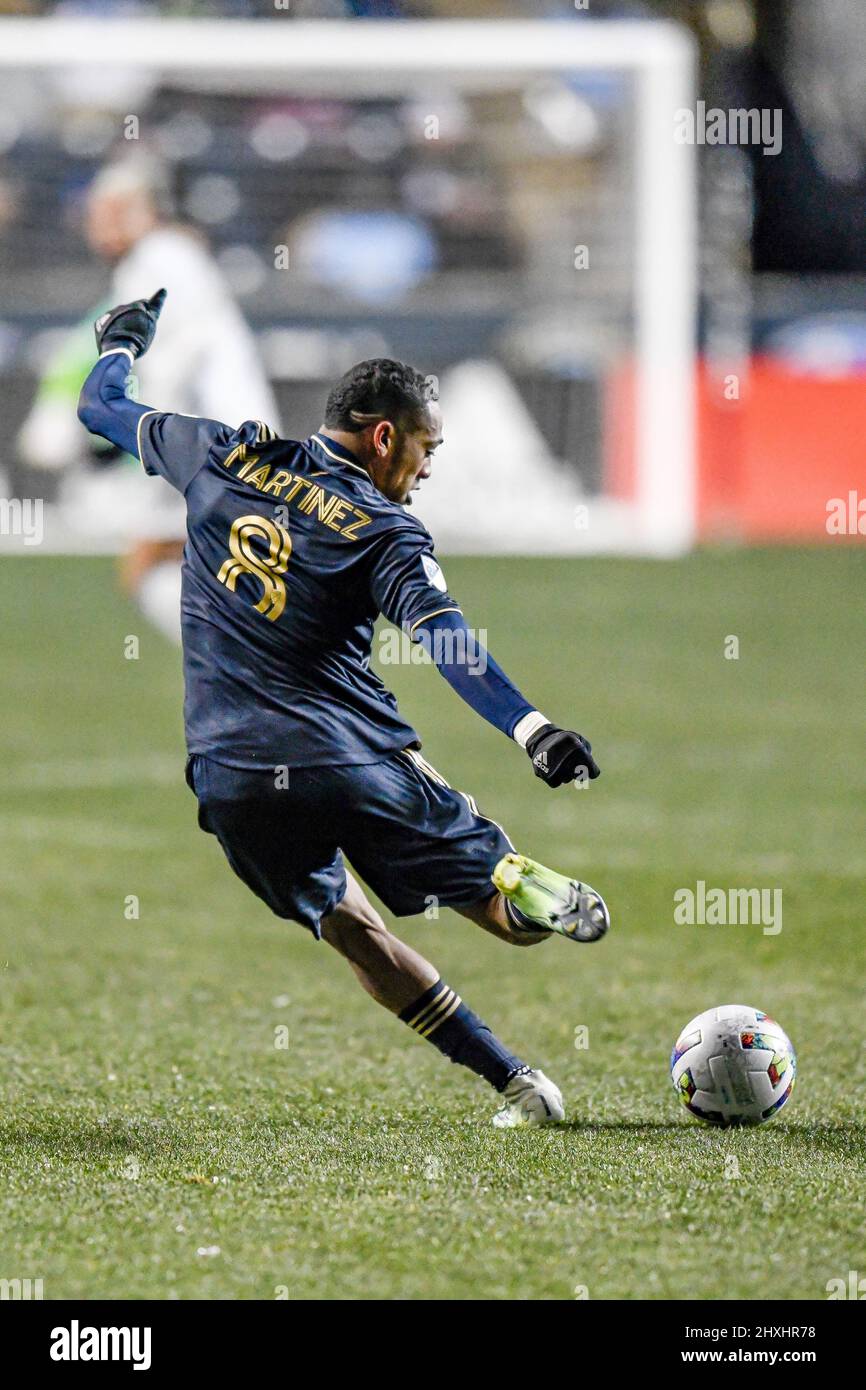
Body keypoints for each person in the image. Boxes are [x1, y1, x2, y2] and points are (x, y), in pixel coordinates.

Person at [77, 289, 611, 1128]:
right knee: (508, 923)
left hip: (229, 777)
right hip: (349, 759)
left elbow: (99, 404)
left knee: (349, 927)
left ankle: (516, 1084)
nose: (427, 470)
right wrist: (532, 728)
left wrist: (120, 341)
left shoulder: (220, 455)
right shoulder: (384, 530)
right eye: (426, 450)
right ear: (386, 437)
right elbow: (447, 641)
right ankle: (512, 878)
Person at [20, 160, 279, 643]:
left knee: (151, 568)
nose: (93, 227)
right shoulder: (173, 257)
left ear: (132, 212)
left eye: (102, 213)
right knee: (214, 580)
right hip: (224, 446)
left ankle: (255, 680)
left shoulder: (155, 261)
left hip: (211, 448)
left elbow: (172, 363)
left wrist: (140, 441)